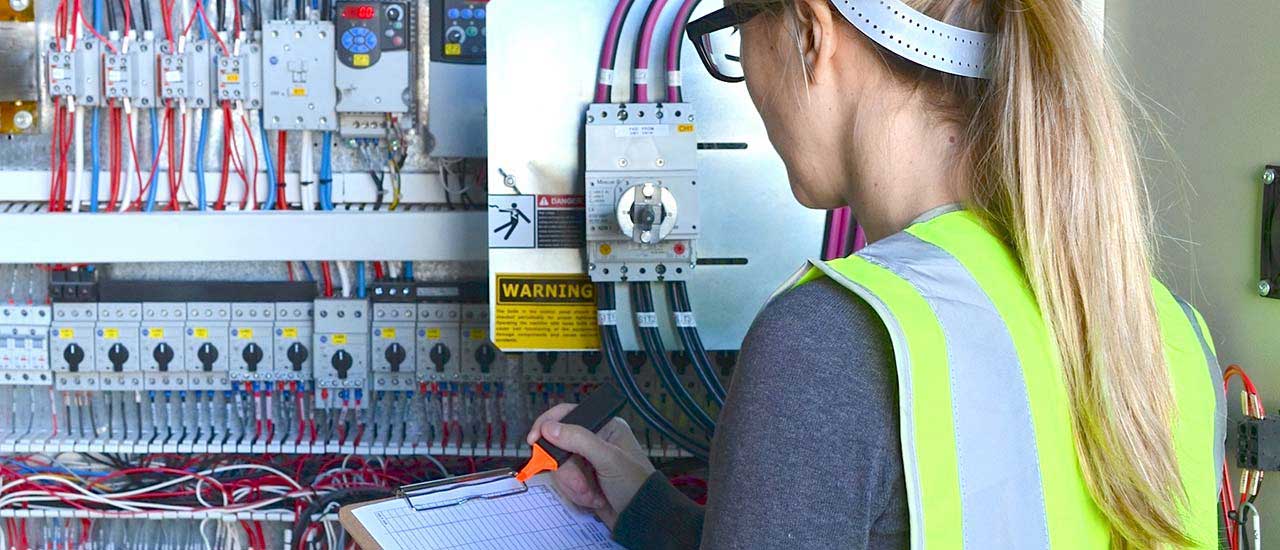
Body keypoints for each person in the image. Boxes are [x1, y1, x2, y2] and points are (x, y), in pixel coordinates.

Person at [527, 0, 1227, 548]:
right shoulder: (1171, 332)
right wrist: (644, 508)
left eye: (735, 34)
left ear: (809, 31)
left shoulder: (830, 338)